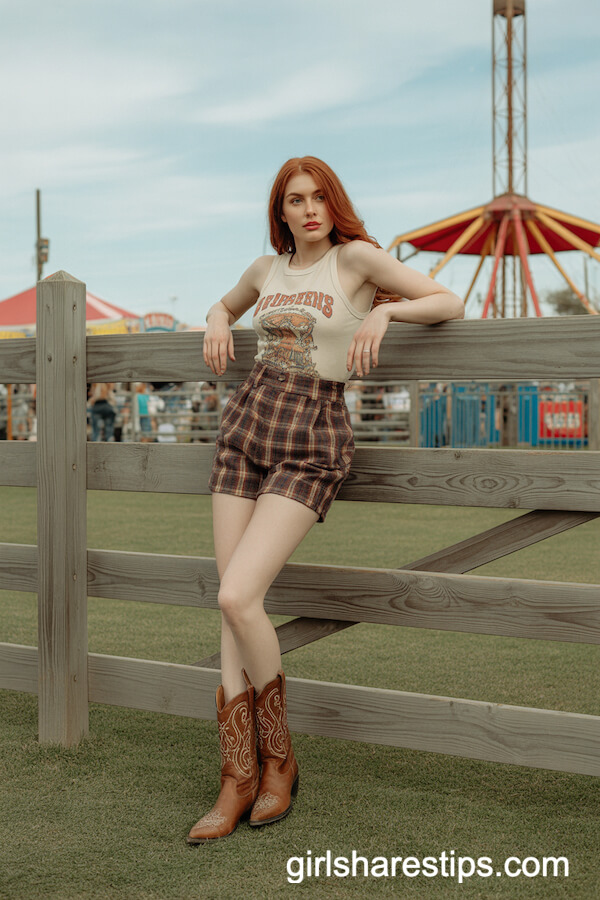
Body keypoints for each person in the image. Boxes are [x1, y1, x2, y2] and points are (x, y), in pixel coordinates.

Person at [187, 156, 464, 844]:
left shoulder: (358, 260)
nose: (308, 210)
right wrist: (220, 316)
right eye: (294, 200)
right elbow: (228, 301)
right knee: (231, 609)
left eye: (318, 198)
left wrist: (388, 316)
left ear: (332, 203)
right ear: (279, 211)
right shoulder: (264, 271)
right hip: (245, 430)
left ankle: (279, 762)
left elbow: (449, 301)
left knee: (236, 596)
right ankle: (236, 775)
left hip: (314, 435)